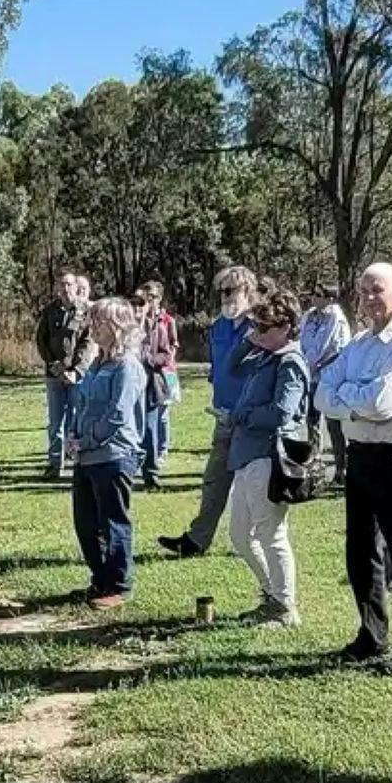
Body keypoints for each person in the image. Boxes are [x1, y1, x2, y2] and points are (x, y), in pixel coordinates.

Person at [316, 263, 392, 676]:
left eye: (377, 290)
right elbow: (322, 395)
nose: (368, 298)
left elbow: (383, 405)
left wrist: (351, 398)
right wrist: (358, 399)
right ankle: (372, 635)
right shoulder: (360, 344)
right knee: (361, 550)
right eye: (363, 290)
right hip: (361, 454)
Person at [225, 283, 310, 626]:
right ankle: (270, 594)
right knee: (239, 535)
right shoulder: (264, 355)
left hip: (268, 456)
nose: (256, 332)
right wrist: (251, 337)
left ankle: (285, 605)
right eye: (255, 325)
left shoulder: (290, 362)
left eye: (264, 326)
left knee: (271, 535)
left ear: (286, 327)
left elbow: (281, 414)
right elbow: (230, 368)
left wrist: (241, 416)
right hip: (246, 454)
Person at [158, 266, 257, 557]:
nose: (224, 297)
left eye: (230, 291)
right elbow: (218, 365)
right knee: (214, 480)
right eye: (221, 291)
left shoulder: (259, 327)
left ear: (247, 292)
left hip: (251, 420)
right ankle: (197, 540)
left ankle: (250, 541)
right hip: (224, 416)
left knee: (250, 485)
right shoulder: (219, 325)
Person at [66, 296, 148, 610]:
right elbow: (83, 403)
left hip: (113, 456)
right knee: (86, 523)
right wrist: (73, 435)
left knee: (113, 521)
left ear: (117, 326)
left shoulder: (128, 367)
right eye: (92, 320)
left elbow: (117, 414)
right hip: (87, 456)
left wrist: (86, 441)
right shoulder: (97, 363)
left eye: (99, 321)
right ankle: (99, 579)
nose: (93, 327)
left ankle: (119, 584)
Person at [35, 271, 94, 480]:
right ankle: (54, 464)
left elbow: (87, 343)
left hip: (76, 376)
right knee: (55, 423)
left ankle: (78, 462)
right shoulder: (50, 311)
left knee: (77, 420)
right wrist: (54, 365)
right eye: (61, 285)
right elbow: (41, 340)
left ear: (76, 288)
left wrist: (76, 371)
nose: (65, 288)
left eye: (69, 284)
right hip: (54, 376)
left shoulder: (85, 311)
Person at [297, 282, 352, 478]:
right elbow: (301, 339)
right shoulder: (309, 316)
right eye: (314, 293)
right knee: (311, 419)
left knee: (333, 422)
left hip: (329, 377)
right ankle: (313, 460)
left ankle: (341, 467)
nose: (314, 298)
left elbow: (341, 349)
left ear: (330, 298)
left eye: (319, 294)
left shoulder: (337, 319)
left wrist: (320, 364)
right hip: (309, 373)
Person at [136, 282, 179, 489]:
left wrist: (150, 360)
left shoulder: (160, 324)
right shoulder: (126, 323)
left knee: (151, 428)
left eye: (150, 298)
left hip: (151, 381)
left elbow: (166, 352)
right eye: (141, 299)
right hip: (128, 383)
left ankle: (150, 474)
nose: (145, 302)